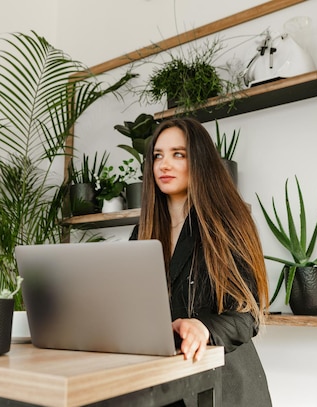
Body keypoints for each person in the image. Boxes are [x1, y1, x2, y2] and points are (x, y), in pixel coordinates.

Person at [130, 117, 272, 406]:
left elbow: (248, 317)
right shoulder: (143, 231)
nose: (164, 165)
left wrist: (203, 327)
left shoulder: (227, 223)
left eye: (177, 154)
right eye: (158, 156)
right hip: (165, 383)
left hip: (222, 387)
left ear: (200, 161)